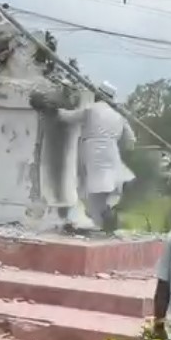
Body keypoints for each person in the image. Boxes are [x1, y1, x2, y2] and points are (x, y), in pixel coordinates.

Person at [57, 82, 135, 230]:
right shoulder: (118, 115)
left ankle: (102, 217)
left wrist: (55, 109)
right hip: (112, 152)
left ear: (98, 94)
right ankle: (105, 217)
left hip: (93, 151)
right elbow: (131, 140)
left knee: (92, 189)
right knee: (108, 184)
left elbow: (67, 117)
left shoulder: (92, 109)